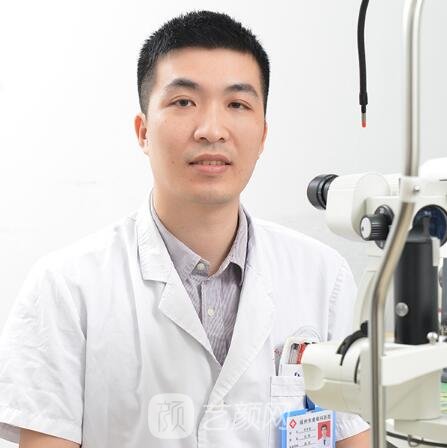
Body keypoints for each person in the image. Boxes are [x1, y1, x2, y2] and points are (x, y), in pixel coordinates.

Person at [0, 10, 370, 448]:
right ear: (143, 131)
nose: (212, 130)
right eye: (183, 102)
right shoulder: (65, 288)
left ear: (263, 135)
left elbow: (352, 436)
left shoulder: (323, 277)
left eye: (237, 104)